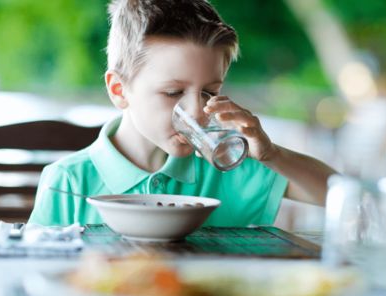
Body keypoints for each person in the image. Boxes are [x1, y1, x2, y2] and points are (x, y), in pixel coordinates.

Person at [29, 0, 336, 227]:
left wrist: (272, 155)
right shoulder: (67, 182)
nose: (197, 112)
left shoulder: (228, 167)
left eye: (209, 92)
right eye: (173, 92)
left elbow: (339, 196)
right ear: (120, 91)